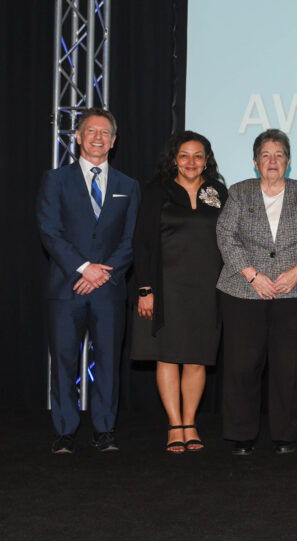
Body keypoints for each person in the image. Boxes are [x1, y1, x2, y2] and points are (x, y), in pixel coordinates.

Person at [216, 129, 297, 456]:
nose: (272, 161)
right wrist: (252, 276)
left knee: (288, 367)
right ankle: (241, 435)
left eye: (279, 155)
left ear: (289, 161)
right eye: (266, 155)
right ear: (255, 162)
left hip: (295, 291)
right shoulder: (239, 193)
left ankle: (285, 435)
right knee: (241, 366)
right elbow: (225, 236)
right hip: (243, 291)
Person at [37, 108, 140, 454]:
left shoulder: (129, 186)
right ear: (78, 137)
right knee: (64, 361)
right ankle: (65, 430)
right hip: (66, 288)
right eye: (90, 131)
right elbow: (49, 232)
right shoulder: (56, 180)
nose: (98, 137)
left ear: (114, 141)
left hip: (109, 290)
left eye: (105, 132)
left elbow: (131, 241)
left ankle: (104, 430)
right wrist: (83, 268)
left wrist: (102, 273)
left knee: (108, 362)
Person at [132, 131, 228, 453]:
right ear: (174, 158)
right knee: (169, 356)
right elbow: (143, 243)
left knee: (198, 357)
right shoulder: (156, 191)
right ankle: (174, 425)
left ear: (206, 160)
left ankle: (191, 423)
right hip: (166, 285)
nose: (191, 162)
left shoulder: (218, 193)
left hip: (207, 286)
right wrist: (145, 289)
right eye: (184, 155)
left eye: (198, 156)